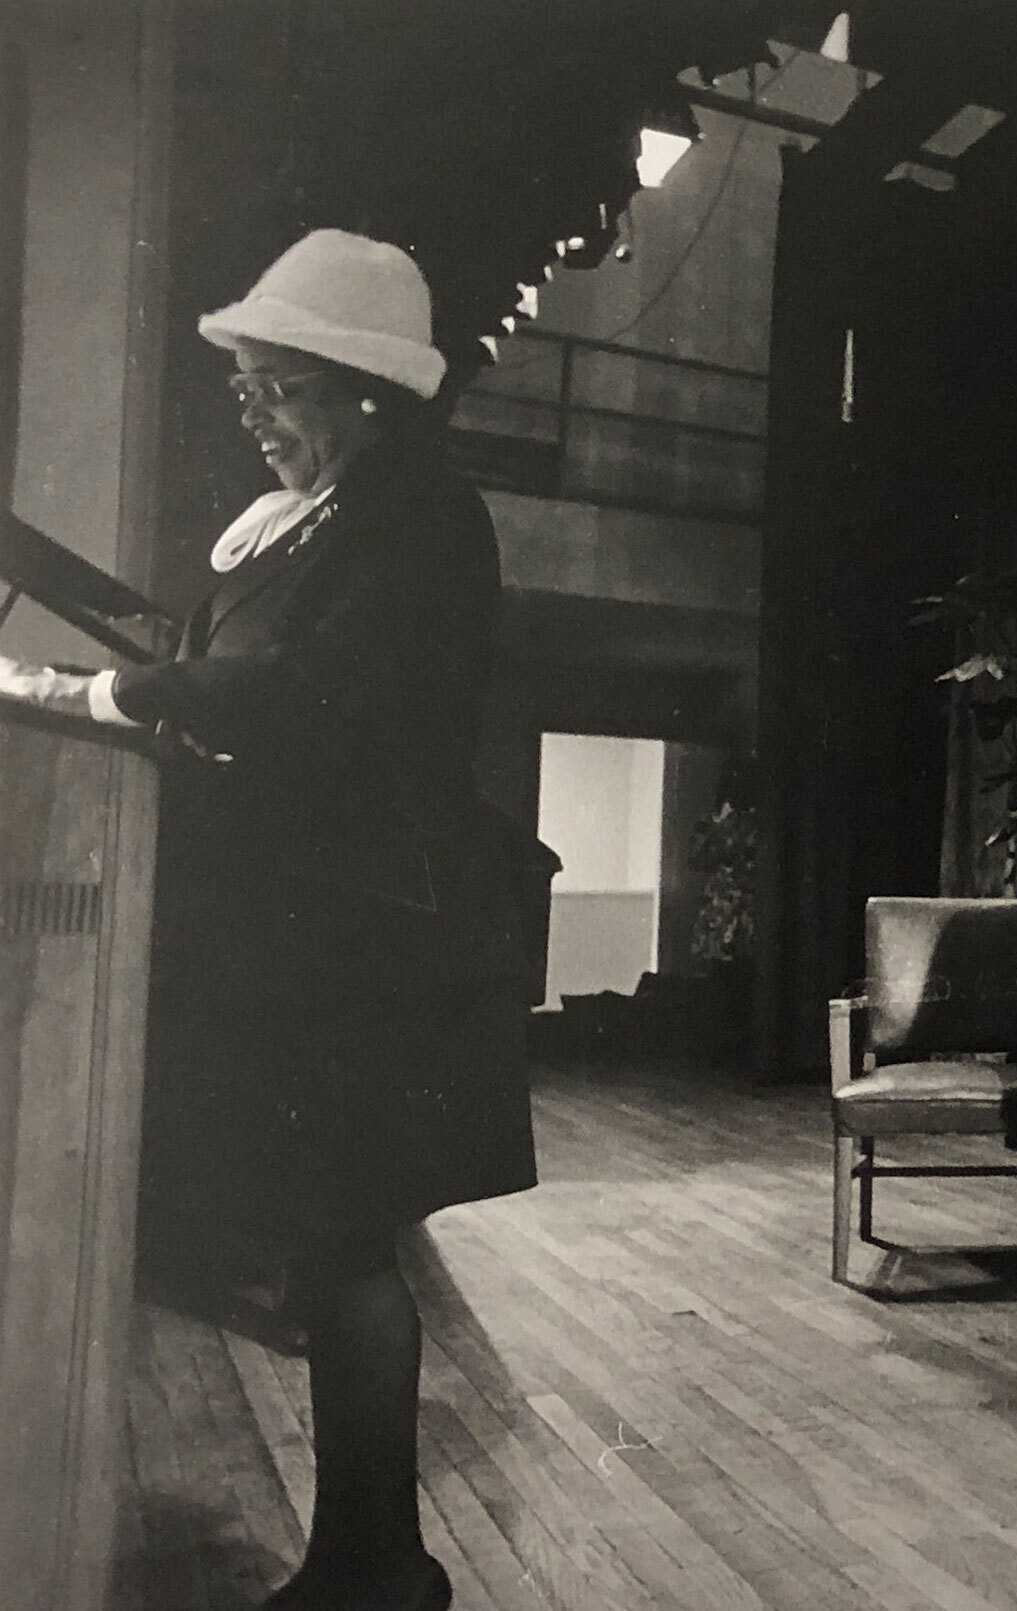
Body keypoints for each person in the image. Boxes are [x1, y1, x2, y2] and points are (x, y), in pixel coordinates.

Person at [0, 229, 539, 1611]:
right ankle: (371, 1561)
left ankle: (378, 1565)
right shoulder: (299, 522)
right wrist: (144, 699)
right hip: (291, 935)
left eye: (278, 388)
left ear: (365, 389)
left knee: (345, 1245)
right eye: (245, 388)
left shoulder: (420, 518)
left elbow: (316, 699)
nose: (254, 415)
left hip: (363, 945)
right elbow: (236, 685)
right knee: (324, 1247)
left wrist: (109, 695)